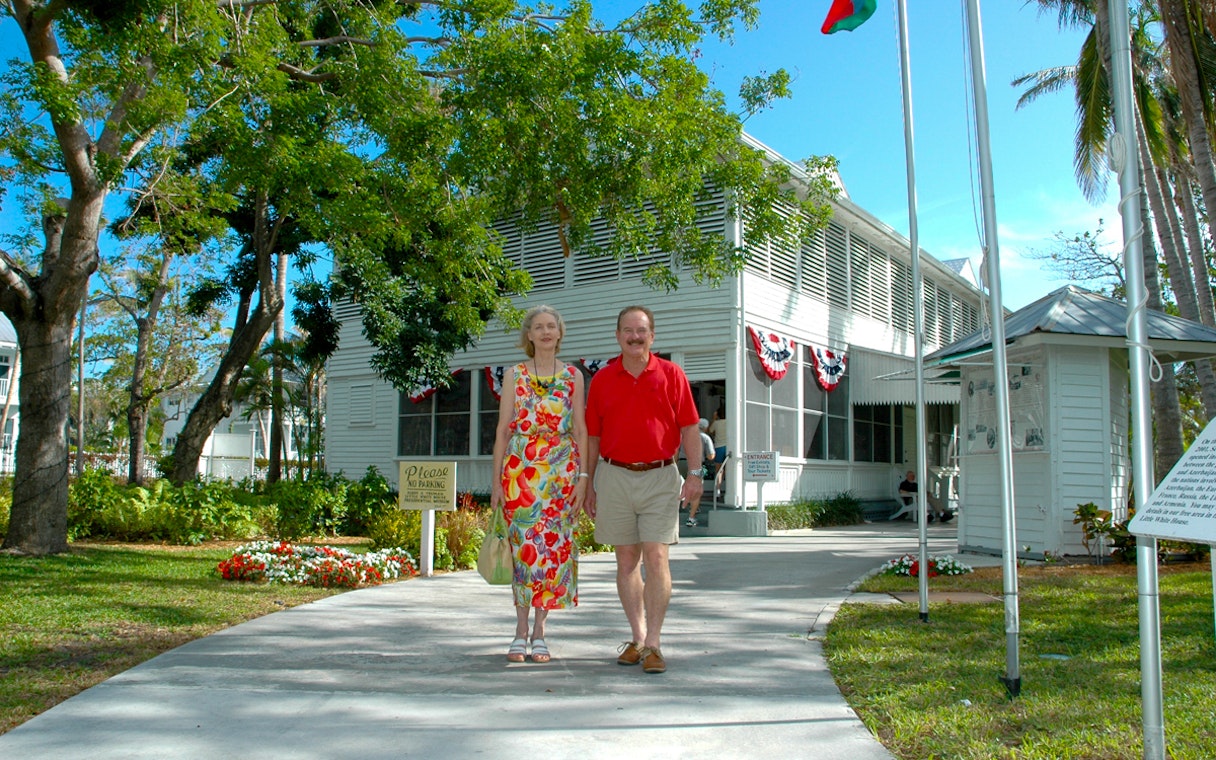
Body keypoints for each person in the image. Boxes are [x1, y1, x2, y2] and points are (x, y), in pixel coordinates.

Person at [584, 305, 702, 675]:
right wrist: (587, 483)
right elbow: (592, 437)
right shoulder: (602, 380)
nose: (635, 337)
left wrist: (696, 474)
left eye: (642, 331)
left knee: (657, 557)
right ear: (617, 336)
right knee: (625, 562)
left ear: (652, 336)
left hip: (660, 476)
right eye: (628, 331)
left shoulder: (671, 375)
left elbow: (689, 429)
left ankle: (654, 644)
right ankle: (636, 639)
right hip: (614, 476)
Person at [491, 305, 588, 664]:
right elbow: (502, 431)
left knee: (550, 554)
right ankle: (519, 630)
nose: (546, 332)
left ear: (560, 333)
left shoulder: (573, 376)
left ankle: (540, 632)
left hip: (561, 478)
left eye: (552, 326)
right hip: (520, 477)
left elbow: (580, 429)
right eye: (538, 327)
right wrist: (497, 482)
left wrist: (583, 478)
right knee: (522, 556)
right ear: (528, 336)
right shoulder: (514, 375)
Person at [685, 418, 715, 527]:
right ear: (705, 427)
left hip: (682, 463)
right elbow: (710, 456)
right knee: (696, 491)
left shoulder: (685, 435)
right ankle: (691, 517)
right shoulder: (705, 437)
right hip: (696, 465)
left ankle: (691, 507)